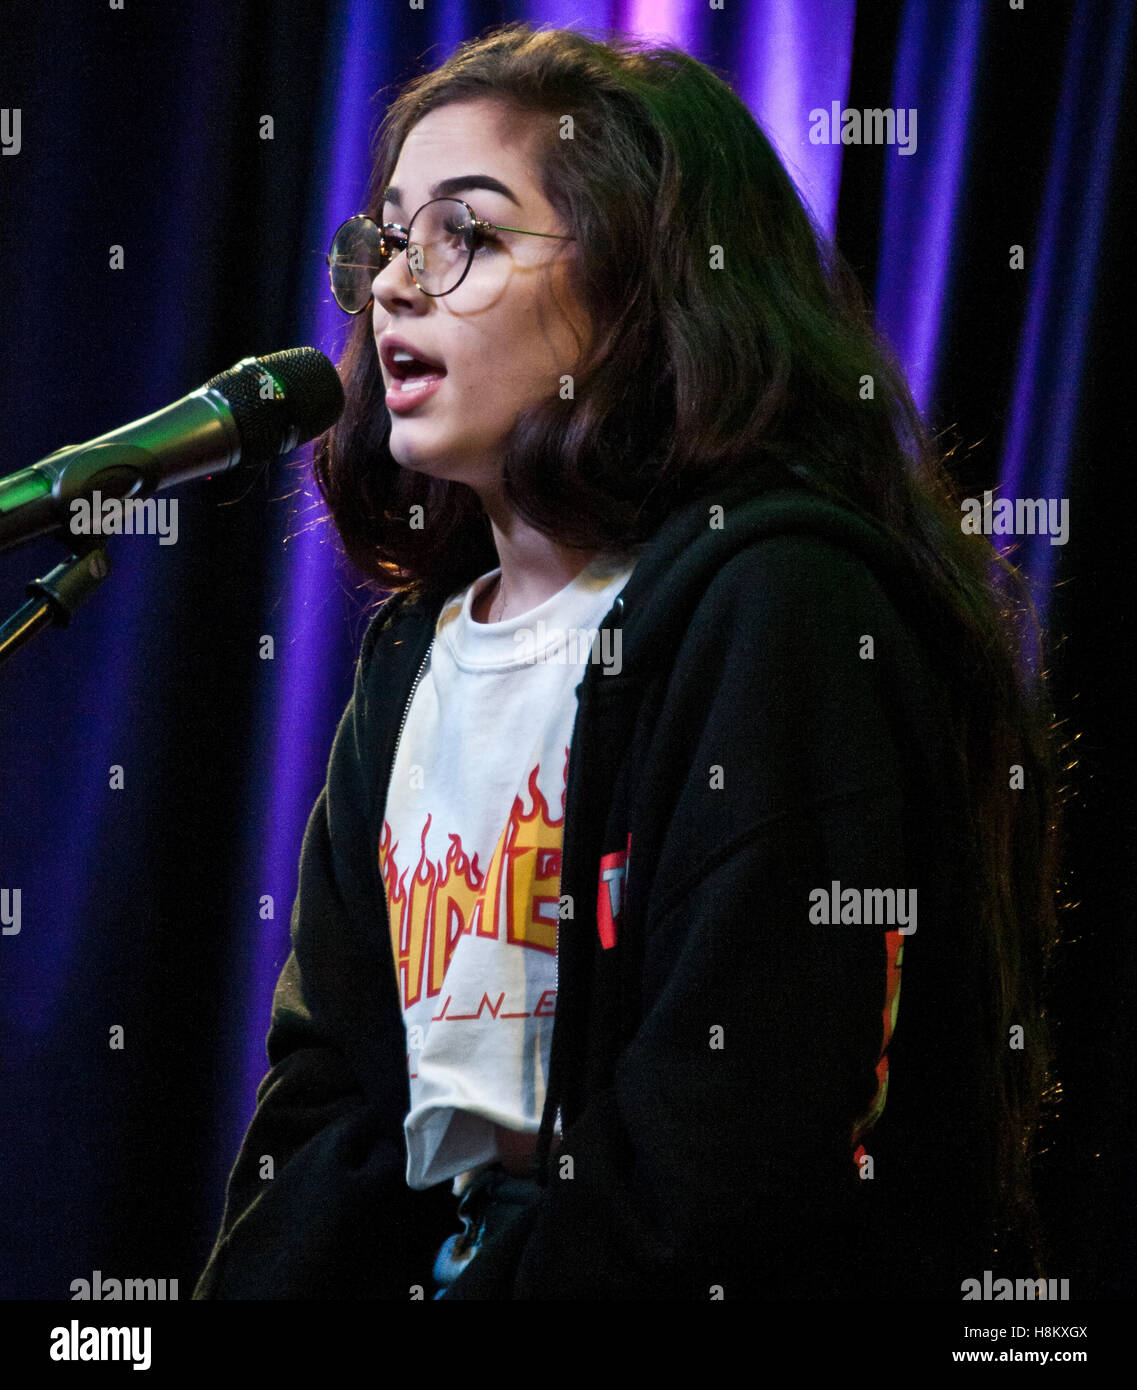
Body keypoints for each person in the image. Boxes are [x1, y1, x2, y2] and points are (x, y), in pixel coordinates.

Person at [193, 22, 1059, 1300]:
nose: (391, 286)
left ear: (642, 290)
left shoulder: (779, 603)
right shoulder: (409, 663)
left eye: (467, 236)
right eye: (388, 238)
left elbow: (738, 1138)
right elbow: (327, 1108)